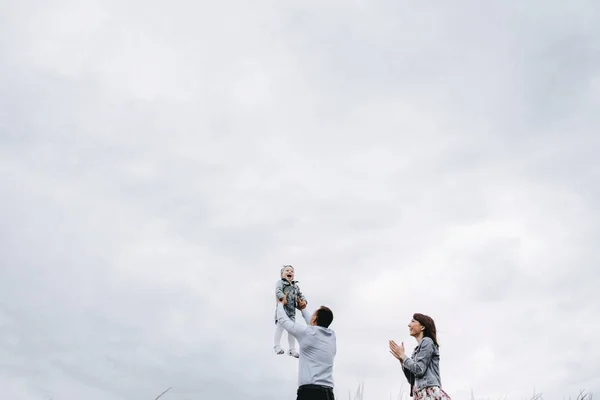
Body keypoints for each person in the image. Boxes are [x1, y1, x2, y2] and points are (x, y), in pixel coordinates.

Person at [276, 295, 336, 400]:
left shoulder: (307, 333)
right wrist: (303, 310)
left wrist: (280, 304)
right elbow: (315, 326)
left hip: (310, 393)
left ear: (315, 319)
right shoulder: (331, 337)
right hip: (328, 394)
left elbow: (283, 320)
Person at [389, 313, 451, 400]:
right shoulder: (416, 351)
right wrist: (402, 360)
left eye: (413, 321)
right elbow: (412, 380)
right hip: (420, 393)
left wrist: (403, 356)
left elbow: (419, 370)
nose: (409, 325)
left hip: (429, 392)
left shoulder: (427, 342)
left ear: (422, 327)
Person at [274, 265, 308, 358]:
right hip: (282, 310)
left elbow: (300, 295)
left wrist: (304, 301)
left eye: (292, 271)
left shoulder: (295, 286)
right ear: (282, 275)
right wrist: (282, 297)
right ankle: (277, 346)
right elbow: (278, 290)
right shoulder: (280, 282)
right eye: (287, 271)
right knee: (280, 327)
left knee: (292, 331)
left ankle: (292, 349)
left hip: (291, 312)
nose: (290, 272)